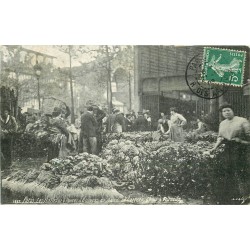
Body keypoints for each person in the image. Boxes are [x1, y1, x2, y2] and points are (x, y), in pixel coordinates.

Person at [210, 103, 250, 204]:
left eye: (228, 110)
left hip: (242, 149)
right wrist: (214, 148)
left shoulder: (242, 121)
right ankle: (233, 196)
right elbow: (220, 137)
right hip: (228, 149)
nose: (226, 112)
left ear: (233, 111)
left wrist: (240, 141)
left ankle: (246, 195)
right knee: (228, 171)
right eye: (224, 111)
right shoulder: (222, 123)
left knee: (241, 172)